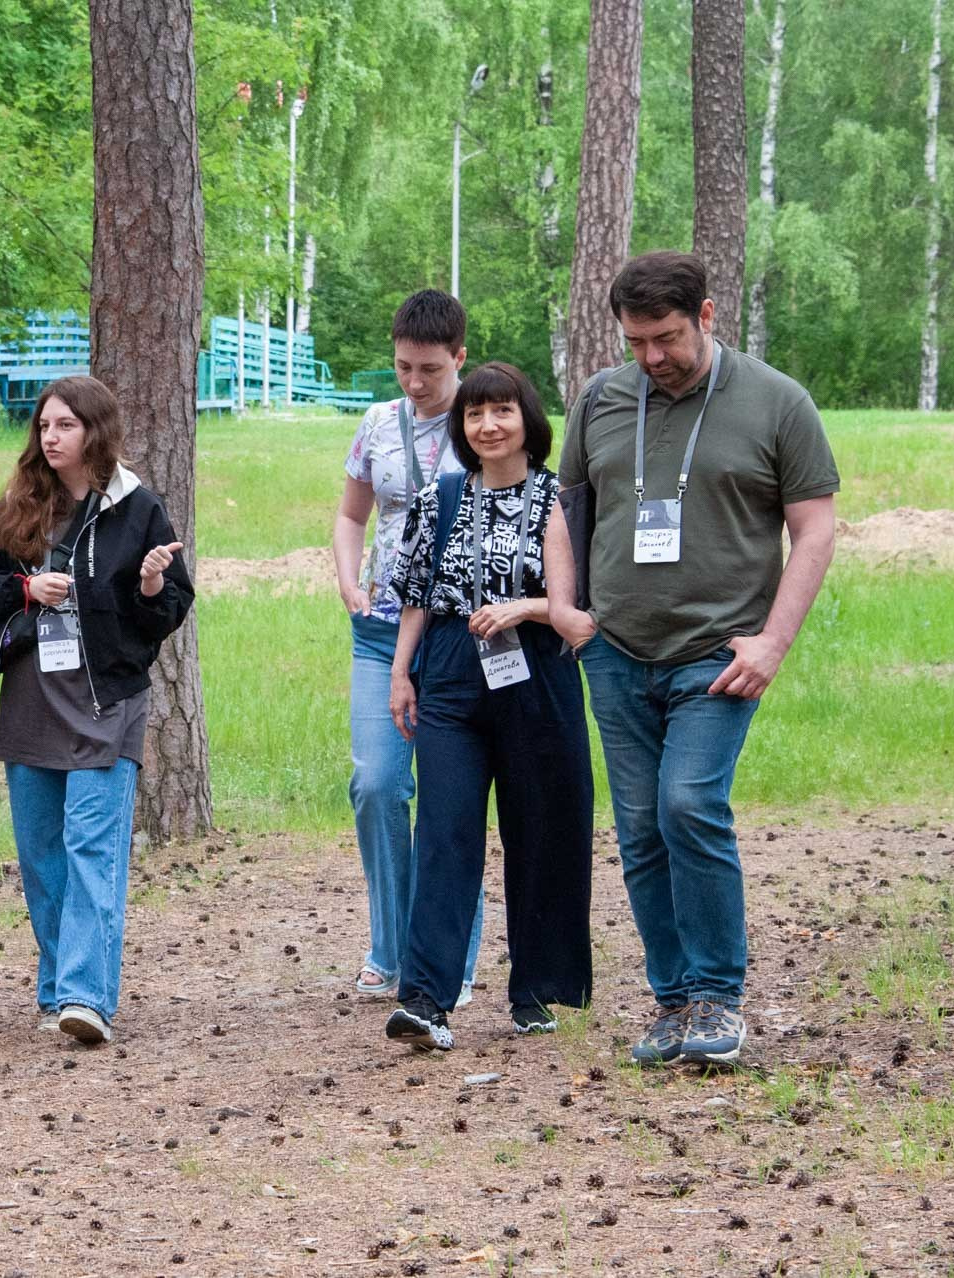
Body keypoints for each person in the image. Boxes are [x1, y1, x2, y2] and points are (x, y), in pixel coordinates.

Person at [547, 251, 838, 1066]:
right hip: (614, 651)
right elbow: (567, 510)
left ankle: (718, 997)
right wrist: (568, 610)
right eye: (636, 341)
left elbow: (814, 528)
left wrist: (773, 642)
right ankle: (673, 1004)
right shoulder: (603, 400)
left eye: (666, 338)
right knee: (640, 828)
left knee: (688, 807)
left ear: (707, 316)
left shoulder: (778, 403)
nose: (650, 358)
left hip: (719, 654)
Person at [0, 375, 194, 1046]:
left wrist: (150, 585)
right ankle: (58, 985)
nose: (50, 436)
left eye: (64, 425)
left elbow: (169, 609)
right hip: (33, 701)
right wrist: (27, 586)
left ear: (95, 431)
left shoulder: (138, 508)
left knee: (93, 846)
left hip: (107, 700)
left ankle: (89, 997)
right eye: (43, 426)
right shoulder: (18, 507)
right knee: (42, 855)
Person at [382, 362, 594, 1050]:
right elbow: (413, 595)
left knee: (540, 829)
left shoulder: (553, 500)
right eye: (475, 415)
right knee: (443, 830)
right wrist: (400, 674)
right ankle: (425, 998)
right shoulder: (440, 499)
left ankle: (534, 988)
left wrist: (522, 608)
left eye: (501, 411)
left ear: (526, 421)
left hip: (534, 670)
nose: (487, 425)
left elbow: (570, 616)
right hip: (448, 672)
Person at [331, 288, 485, 1005]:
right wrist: (347, 577)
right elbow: (351, 513)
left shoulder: (483, 424)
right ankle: (388, 946)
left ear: (459, 357)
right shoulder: (375, 424)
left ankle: (449, 952)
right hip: (381, 627)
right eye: (403, 367)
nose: (415, 383)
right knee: (378, 783)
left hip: (456, 635)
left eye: (429, 369)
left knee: (451, 794)